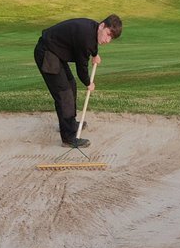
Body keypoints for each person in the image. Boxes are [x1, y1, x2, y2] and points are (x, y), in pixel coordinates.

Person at [34, 15, 122, 148]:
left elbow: (92, 43)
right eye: (108, 34)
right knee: (64, 94)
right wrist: (88, 83)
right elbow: (82, 69)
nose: (107, 40)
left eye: (111, 38)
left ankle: (70, 124)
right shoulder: (86, 37)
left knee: (71, 86)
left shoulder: (93, 29)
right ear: (102, 26)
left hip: (56, 52)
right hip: (47, 53)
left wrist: (95, 54)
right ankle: (68, 138)